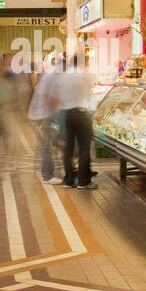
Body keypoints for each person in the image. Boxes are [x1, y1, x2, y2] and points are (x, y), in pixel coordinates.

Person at [56, 54, 97, 189]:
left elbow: (59, 96)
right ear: (82, 62)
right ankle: (83, 181)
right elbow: (89, 94)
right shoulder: (84, 75)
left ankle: (68, 181)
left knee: (68, 149)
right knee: (84, 149)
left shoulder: (63, 76)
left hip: (66, 114)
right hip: (81, 113)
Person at [28, 55, 63, 182]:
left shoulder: (52, 75)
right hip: (45, 115)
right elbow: (48, 96)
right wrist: (57, 111)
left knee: (46, 145)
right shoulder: (53, 76)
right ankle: (47, 175)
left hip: (44, 114)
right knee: (47, 146)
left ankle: (46, 171)